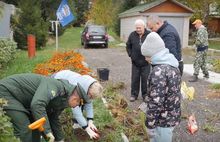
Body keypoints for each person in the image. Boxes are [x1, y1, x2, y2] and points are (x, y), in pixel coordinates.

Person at [0, 73, 92, 142]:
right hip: (7, 92)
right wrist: (47, 132)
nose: (76, 106)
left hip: (23, 100)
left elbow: (53, 118)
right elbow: (37, 104)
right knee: (25, 130)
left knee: (36, 130)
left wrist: (60, 139)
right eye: (78, 104)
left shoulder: (64, 99)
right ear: (76, 98)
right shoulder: (56, 86)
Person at [141, 32, 181, 142]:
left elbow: (156, 101)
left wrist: (150, 123)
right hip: (172, 114)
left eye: (147, 56)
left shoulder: (159, 71)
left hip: (162, 119)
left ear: (154, 54)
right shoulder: (172, 64)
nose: (145, 59)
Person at [51, 70, 103, 139]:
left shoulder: (88, 88)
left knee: (82, 102)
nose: (90, 98)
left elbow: (89, 103)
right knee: (55, 108)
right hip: (57, 80)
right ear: (88, 90)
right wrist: (87, 128)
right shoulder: (76, 88)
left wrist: (90, 121)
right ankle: (50, 128)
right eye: (90, 96)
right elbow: (76, 111)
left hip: (67, 78)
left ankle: (76, 123)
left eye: (92, 97)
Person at [126, 19, 151, 102]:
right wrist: (131, 55)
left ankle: (145, 95)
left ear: (144, 27)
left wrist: (151, 57)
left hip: (146, 62)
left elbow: (154, 46)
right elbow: (128, 45)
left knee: (146, 79)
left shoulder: (150, 35)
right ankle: (134, 94)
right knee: (135, 79)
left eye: (139, 28)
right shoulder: (132, 35)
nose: (138, 30)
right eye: (136, 28)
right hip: (135, 62)